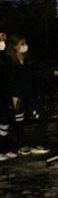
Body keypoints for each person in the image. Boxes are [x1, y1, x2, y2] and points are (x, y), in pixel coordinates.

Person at [7, 35, 48, 155]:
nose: (25, 46)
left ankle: (35, 143)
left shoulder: (28, 60)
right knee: (18, 121)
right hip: (17, 96)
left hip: (31, 95)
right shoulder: (9, 62)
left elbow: (37, 73)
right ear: (15, 46)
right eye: (22, 44)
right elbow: (8, 81)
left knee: (42, 117)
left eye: (25, 43)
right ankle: (21, 145)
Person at [0, 31, 15, 161]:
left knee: (5, 120)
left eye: (4, 35)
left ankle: (4, 148)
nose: (2, 38)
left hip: (5, 91)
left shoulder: (5, 55)